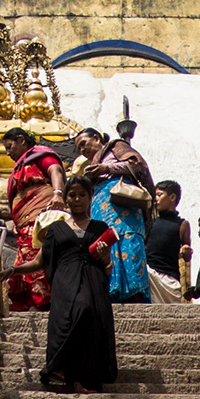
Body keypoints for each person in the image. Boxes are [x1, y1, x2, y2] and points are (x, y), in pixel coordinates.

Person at [36, 174, 119, 393]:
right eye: (72, 195)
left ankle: (84, 377)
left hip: (92, 280)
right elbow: (41, 260)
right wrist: (12, 270)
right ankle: (63, 371)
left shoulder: (100, 227)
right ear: (65, 199)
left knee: (88, 315)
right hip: (66, 281)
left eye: (82, 195)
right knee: (67, 322)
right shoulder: (56, 228)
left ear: (90, 197)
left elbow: (107, 264)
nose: (77, 199)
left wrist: (104, 256)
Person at [80, 124, 155, 304]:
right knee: (105, 246)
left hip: (123, 205)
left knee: (128, 243)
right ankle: (110, 293)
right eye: (78, 148)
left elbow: (137, 165)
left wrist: (106, 169)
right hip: (101, 209)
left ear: (97, 139)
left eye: (84, 143)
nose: (82, 150)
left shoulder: (115, 147)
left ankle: (135, 296)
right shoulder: (92, 165)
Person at [0, 122, 66, 311]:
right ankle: (30, 302)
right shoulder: (20, 166)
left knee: (37, 255)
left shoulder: (39, 155)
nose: (7, 153)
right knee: (25, 258)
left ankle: (44, 301)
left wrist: (58, 193)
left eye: (9, 147)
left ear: (21, 140)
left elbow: (55, 170)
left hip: (39, 217)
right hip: (23, 221)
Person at [146, 181, 192, 302]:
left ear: (172, 197)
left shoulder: (182, 225)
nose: (156, 199)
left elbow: (187, 254)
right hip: (150, 274)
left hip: (169, 280)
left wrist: (186, 249)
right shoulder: (150, 222)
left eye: (159, 195)